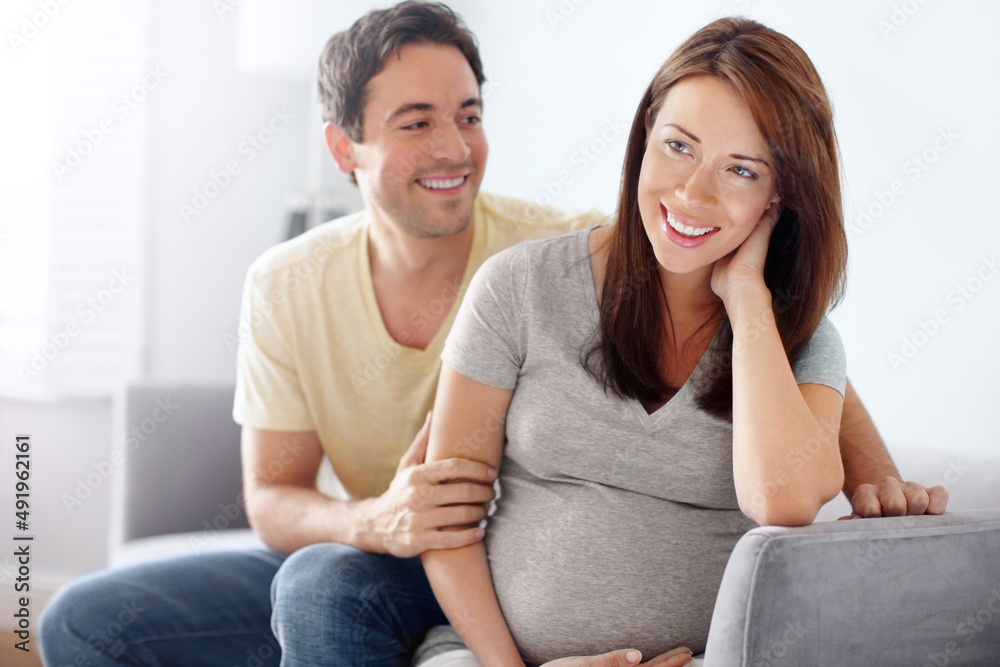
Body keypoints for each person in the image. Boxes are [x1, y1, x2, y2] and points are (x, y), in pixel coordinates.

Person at [38, 4, 947, 666]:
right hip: (389, 553)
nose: (454, 146)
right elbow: (278, 497)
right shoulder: (298, 282)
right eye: (416, 120)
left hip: (478, 556)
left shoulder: (584, 240)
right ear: (342, 146)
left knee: (318, 590)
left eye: (469, 113)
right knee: (202, 602)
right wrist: (380, 520)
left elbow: (776, 345)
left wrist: (868, 469)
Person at [419, 16, 920, 665]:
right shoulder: (518, 288)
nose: (691, 192)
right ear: (645, 132)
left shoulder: (797, 340)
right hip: (485, 658)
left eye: (741, 170)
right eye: (678, 146)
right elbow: (445, 522)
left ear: (783, 192)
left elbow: (784, 498)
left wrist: (746, 298)